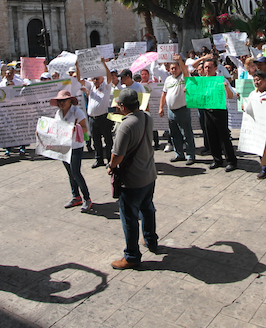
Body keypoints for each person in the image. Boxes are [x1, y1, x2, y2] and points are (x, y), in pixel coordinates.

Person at [108, 88, 158, 270]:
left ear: (122, 106)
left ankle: (131, 256)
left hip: (132, 180)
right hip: (149, 174)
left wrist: (111, 167)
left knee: (129, 218)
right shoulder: (147, 117)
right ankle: (151, 239)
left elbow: (117, 156)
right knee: (148, 208)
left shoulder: (126, 125)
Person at [50, 89, 92, 212]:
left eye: (64, 100)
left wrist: (75, 128)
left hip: (76, 146)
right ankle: (76, 196)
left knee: (76, 173)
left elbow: (85, 128)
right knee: (70, 173)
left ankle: (87, 198)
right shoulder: (58, 113)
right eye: (59, 101)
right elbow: (55, 127)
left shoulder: (77, 112)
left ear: (70, 101)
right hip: (63, 146)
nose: (61, 103)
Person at [200, 58, 238, 171]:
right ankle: (217, 159)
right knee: (211, 136)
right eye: (205, 67)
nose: (207, 69)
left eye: (209, 67)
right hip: (207, 111)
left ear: (215, 68)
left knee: (224, 137)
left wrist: (226, 87)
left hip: (220, 111)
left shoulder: (221, 80)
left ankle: (231, 161)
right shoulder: (201, 81)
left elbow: (231, 96)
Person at [158, 53, 196, 165]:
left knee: (187, 134)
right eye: (171, 68)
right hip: (171, 111)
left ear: (179, 68)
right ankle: (179, 154)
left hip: (182, 110)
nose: (173, 70)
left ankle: (190, 155)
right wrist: (161, 107)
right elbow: (164, 94)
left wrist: (180, 60)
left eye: (175, 68)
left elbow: (186, 71)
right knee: (174, 135)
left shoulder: (184, 77)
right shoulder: (168, 80)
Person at [78, 64, 113, 168]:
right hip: (92, 119)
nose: (95, 81)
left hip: (104, 118)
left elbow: (109, 76)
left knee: (108, 140)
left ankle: (110, 160)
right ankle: (99, 160)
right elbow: (79, 79)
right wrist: (77, 66)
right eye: (93, 79)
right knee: (96, 140)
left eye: (97, 78)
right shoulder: (91, 86)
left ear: (102, 78)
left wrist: (104, 64)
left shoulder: (106, 86)